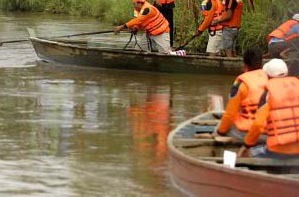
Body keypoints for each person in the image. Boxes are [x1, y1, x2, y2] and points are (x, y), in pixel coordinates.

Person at [238, 59, 299, 158]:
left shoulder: (268, 93)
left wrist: (246, 146)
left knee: (248, 155)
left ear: (267, 76)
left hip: (279, 149)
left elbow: (258, 125)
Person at [213, 48, 268, 141]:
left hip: (249, 132)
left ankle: (227, 152)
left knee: (221, 126)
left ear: (245, 63)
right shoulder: (270, 78)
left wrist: (219, 132)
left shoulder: (241, 83)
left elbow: (230, 114)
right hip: (270, 131)